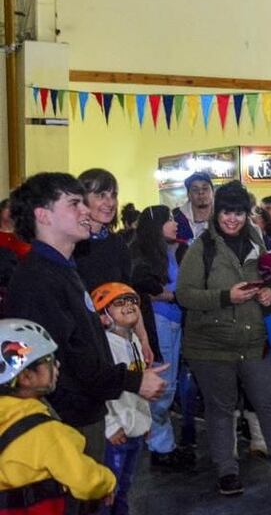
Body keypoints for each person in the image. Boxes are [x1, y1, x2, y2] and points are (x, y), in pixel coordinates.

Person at [2, 172, 167, 462]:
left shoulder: (64, 269)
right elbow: (66, 360)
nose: (86, 210)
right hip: (67, 418)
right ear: (44, 215)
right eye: (74, 203)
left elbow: (76, 341)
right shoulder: (39, 278)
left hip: (84, 409)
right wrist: (133, 381)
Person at [175, 181, 271, 496]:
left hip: (255, 342)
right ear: (216, 212)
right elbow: (184, 295)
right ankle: (226, 470)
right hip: (211, 346)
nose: (232, 219)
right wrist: (226, 297)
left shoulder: (258, 242)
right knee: (221, 409)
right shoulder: (201, 249)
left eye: (238, 212)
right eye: (227, 212)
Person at [0, 318, 117, 513]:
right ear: (26, 377)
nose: (58, 365)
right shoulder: (48, 433)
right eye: (49, 360)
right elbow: (84, 480)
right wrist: (107, 483)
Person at [128, 205, 193, 471]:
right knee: (161, 386)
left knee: (168, 384)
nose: (175, 224)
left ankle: (162, 443)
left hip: (173, 322)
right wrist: (172, 296)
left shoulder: (170, 249)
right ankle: (161, 447)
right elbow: (143, 287)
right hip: (158, 322)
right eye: (169, 220)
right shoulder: (142, 254)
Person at [74, 169, 156, 365]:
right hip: (83, 342)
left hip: (119, 337)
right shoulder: (71, 243)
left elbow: (128, 294)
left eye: (113, 195)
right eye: (101, 195)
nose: (109, 203)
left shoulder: (116, 243)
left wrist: (143, 340)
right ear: (82, 200)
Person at [91, 283, 151, 515]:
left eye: (132, 300)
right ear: (104, 315)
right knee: (109, 491)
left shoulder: (134, 342)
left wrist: (144, 421)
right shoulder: (105, 346)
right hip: (115, 435)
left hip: (134, 430)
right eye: (119, 302)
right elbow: (100, 390)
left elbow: (141, 387)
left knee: (125, 488)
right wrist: (111, 426)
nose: (128, 305)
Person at [173, 172, 213, 244]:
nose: (200, 192)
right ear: (188, 195)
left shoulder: (224, 217)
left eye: (205, 188)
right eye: (195, 189)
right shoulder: (176, 218)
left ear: (213, 192)